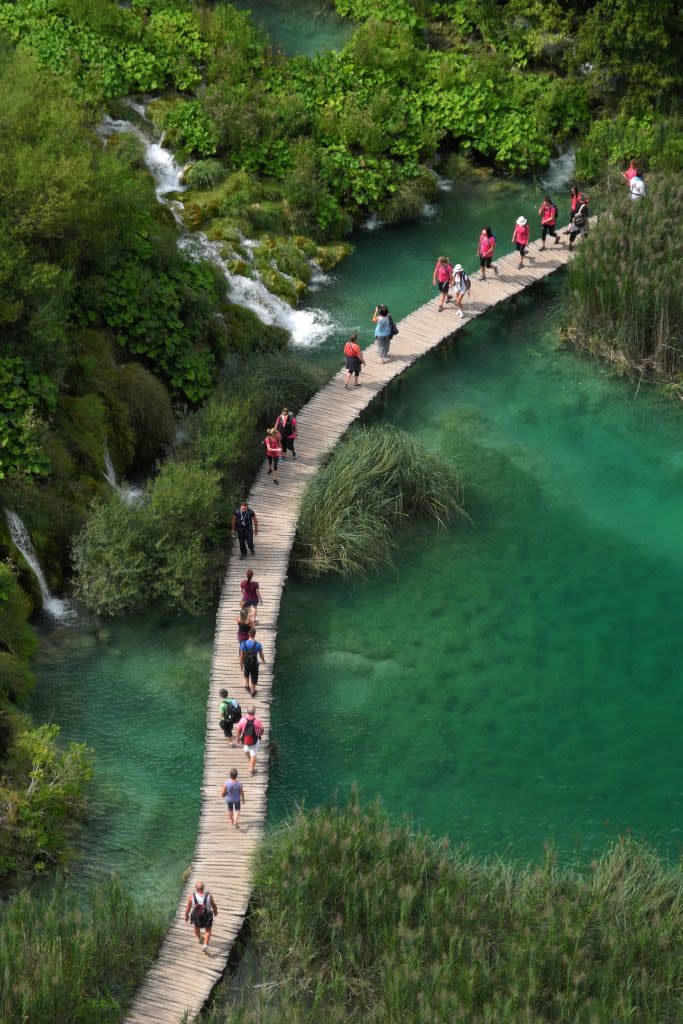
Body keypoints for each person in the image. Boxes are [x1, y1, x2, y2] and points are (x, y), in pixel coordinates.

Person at [185, 880, 217, 953]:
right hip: (207, 916)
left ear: (196, 888)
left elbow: (188, 907)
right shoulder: (209, 897)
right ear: (203, 888)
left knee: (196, 927)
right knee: (208, 929)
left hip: (196, 917)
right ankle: (205, 946)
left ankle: (199, 938)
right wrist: (215, 912)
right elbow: (214, 906)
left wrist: (186, 915)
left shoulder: (191, 896)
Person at [236, 705, 264, 774]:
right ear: (254, 713)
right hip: (254, 740)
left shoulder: (242, 720)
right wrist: (261, 733)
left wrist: (237, 738)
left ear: (247, 712)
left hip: (245, 740)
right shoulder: (257, 721)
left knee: (246, 750)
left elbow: (238, 731)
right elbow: (262, 729)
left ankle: (249, 759)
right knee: (253, 754)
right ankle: (251, 769)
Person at [240, 627, 265, 696]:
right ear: (255, 634)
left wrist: (241, 665)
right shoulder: (258, 644)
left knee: (246, 672)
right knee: (254, 677)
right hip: (254, 664)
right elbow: (261, 654)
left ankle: (247, 685)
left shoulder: (243, 644)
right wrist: (263, 660)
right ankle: (252, 692)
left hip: (246, 663)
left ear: (248, 634)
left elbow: (241, 656)